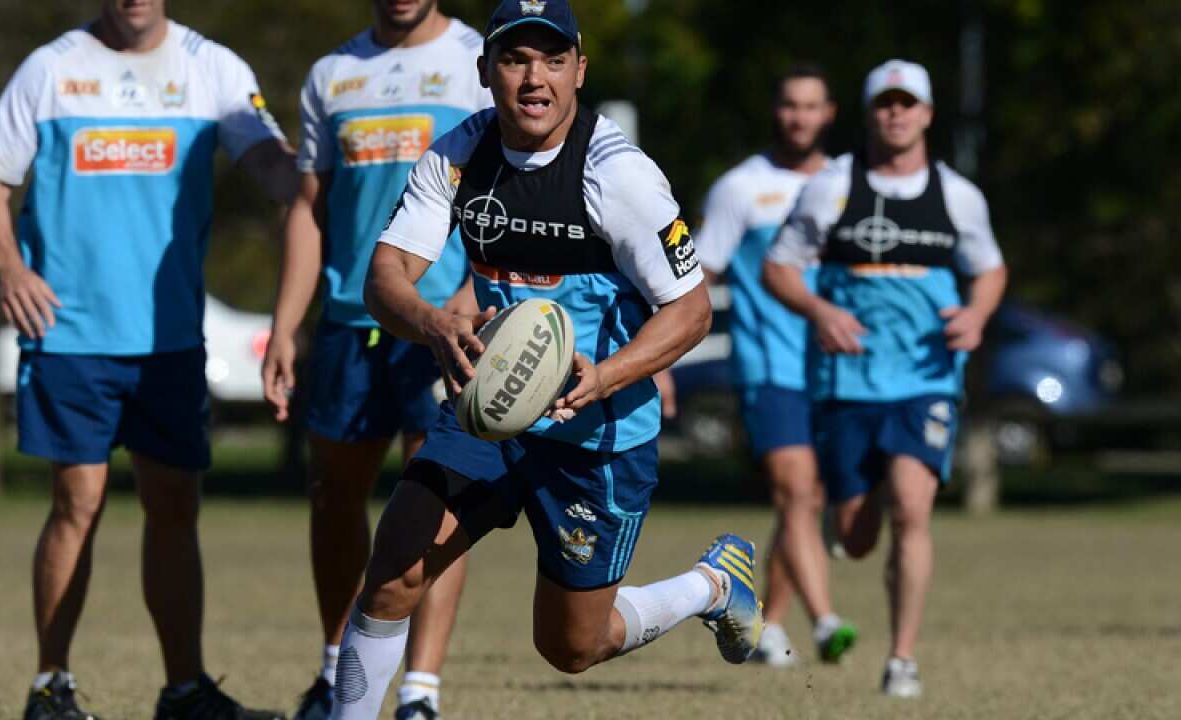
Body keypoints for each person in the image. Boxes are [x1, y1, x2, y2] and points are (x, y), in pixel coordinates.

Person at [323, 2, 764, 717]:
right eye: (516, 60)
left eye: (554, 61)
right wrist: (433, 323)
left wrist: (606, 376)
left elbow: (691, 311)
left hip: (598, 436)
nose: (535, 79)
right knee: (393, 571)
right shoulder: (458, 155)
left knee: (572, 646)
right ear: (485, 71)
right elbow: (384, 277)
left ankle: (711, 586)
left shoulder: (618, 175)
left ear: (579, 71)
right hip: (491, 411)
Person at [0, 1, 298, 718]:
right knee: (77, 503)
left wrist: (321, 172)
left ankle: (184, 691)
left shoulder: (212, 68)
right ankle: (49, 686)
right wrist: (9, 268)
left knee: (175, 505)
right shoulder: (52, 69)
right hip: (69, 334)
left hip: (170, 340)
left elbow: (277, 170)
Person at [259, 2, 491, 718]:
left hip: (444, 322)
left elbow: (505, 188)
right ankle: (338, 674)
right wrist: (284, 324)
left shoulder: (476, 60)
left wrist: (470, 292)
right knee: (333, 497)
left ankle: (420, 690)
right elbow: (310, 207)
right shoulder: (332, 73)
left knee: (438, 500)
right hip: (349, 320)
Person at [764, 59, 1007, 698]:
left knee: (911, 506)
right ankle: (842, 525)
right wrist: (820, 311)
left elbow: (990, 269)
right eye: (885, 103)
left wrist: (976, 316)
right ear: (870, 113)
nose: (896, 114)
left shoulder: (956, 195)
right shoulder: (832, 188)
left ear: (926, 114)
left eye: (908, 103)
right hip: (847, 382)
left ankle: (902, 659)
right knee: (856, 537)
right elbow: (779, 268)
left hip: (926, 379)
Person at [692, 63, 857, 667]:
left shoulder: (849, 184)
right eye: (790, 105)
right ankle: (826, 622)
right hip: (768, 364)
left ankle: (766, 625)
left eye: (811, 106)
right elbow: (698, 277)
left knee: (809, 503)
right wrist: (657, 359)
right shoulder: (740, 188)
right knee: (795, 490)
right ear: (775, 110)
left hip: (836, 371)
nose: (799, 117)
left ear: (829, 113)